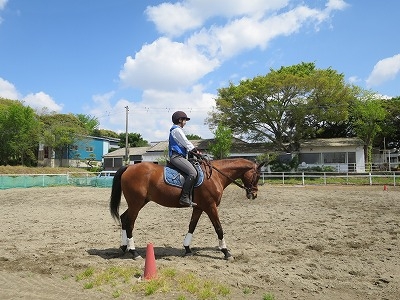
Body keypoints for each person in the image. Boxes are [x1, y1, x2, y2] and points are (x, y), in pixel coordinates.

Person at [169, 111, 199, 207]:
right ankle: (184, 198)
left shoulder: (177, 130)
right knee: (193, 173)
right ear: (180, 120)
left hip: (180, 156)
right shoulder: (177, 130)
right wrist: (196, 151)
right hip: (176, 157)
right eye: (185, 120)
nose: (185, 122)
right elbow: (186, 142)